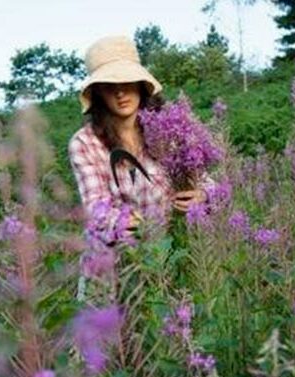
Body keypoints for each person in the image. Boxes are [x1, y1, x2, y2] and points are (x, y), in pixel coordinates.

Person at [68, 35, 207, 244]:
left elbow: (205, 180)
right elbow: (96, 209)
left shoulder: (169, 128)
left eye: (126, 80)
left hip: (178, 248)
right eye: (108, 85)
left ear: (140, 84)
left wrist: (203, 195)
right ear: (97, 94)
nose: (120, 92)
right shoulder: (85, 143)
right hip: (123, 256)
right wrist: (122, 221)